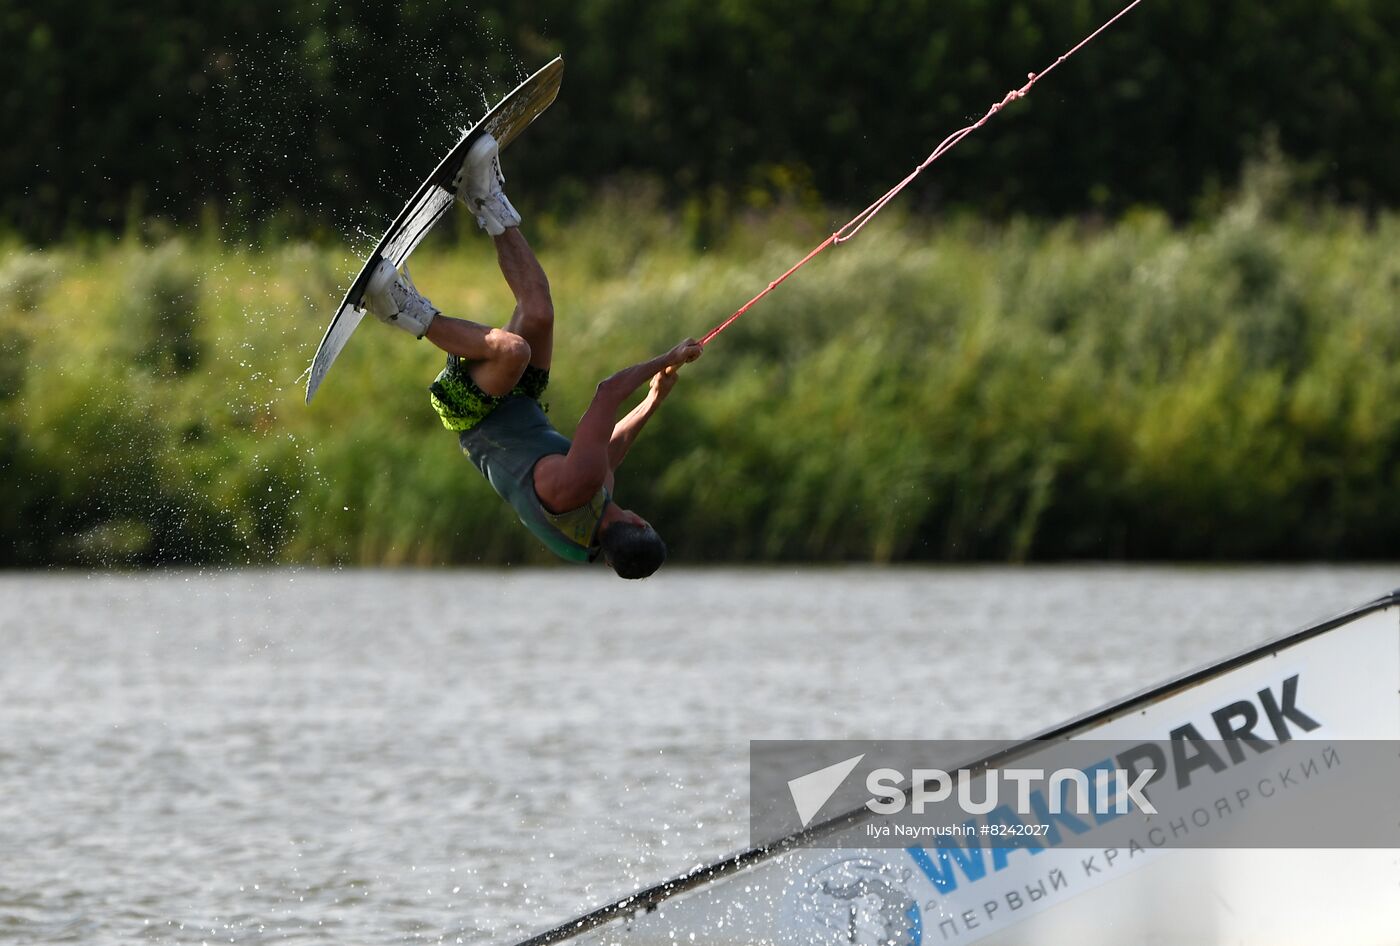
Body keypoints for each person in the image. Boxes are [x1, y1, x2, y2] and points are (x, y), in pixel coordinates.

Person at [360, 133, 702, 578]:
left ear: (639, 522)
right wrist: (655, 398)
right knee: (538, 309)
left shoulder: (580, 489)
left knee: (513, 348)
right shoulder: (591, 515)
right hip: (519, 403)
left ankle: (397, 309)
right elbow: (610, 449)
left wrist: (667, 357)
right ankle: (483, 197)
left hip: (476, 414)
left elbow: (606, 394)